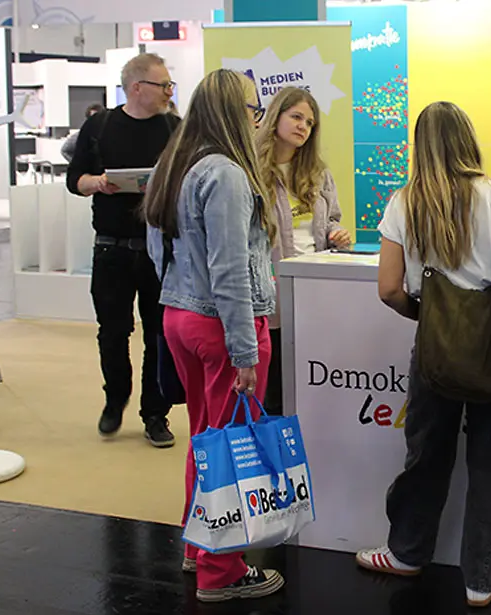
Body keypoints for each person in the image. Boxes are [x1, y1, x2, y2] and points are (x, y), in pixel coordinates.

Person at [355, 102, 491, 609]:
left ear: (419, 146)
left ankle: (406, 552)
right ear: (468, 138)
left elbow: (388, 289)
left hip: (435, 353)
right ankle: (482, 580)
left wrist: (428, 317)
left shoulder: (405, 202)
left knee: (426, 454)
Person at [142, 68, 284, 603]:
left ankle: (198, 544)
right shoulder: (225, 173)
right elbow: (230, 269)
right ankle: (221, 571)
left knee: (207, 438)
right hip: (223, 326)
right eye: (253, 108)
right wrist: (245, 349)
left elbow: (157, 250)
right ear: (233, 113)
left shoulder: (174, 164)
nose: (258, 118)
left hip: (180, 316)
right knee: (232, 446)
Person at [66, 53, 180, 447]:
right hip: (111, 249)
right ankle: (115, 398)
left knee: (159, 334)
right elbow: (74, 180)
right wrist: (97, 183)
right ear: (136, 88)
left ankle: (155, 414)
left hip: (160, 250)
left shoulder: (175, 129)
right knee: (113, 331)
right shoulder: (99, 127)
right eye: (163, 85)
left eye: (170, 85)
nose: (169, 92)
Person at [256, 87, 350, 416]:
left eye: (309, 123)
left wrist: (336, 233)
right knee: (274, 381)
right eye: (296, 117)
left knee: (310, 374)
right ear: (275, 117)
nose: (303, 127)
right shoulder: (252, 171)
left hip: (312, 287)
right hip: (271, 289)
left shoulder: (318, 173)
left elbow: (331, 219)